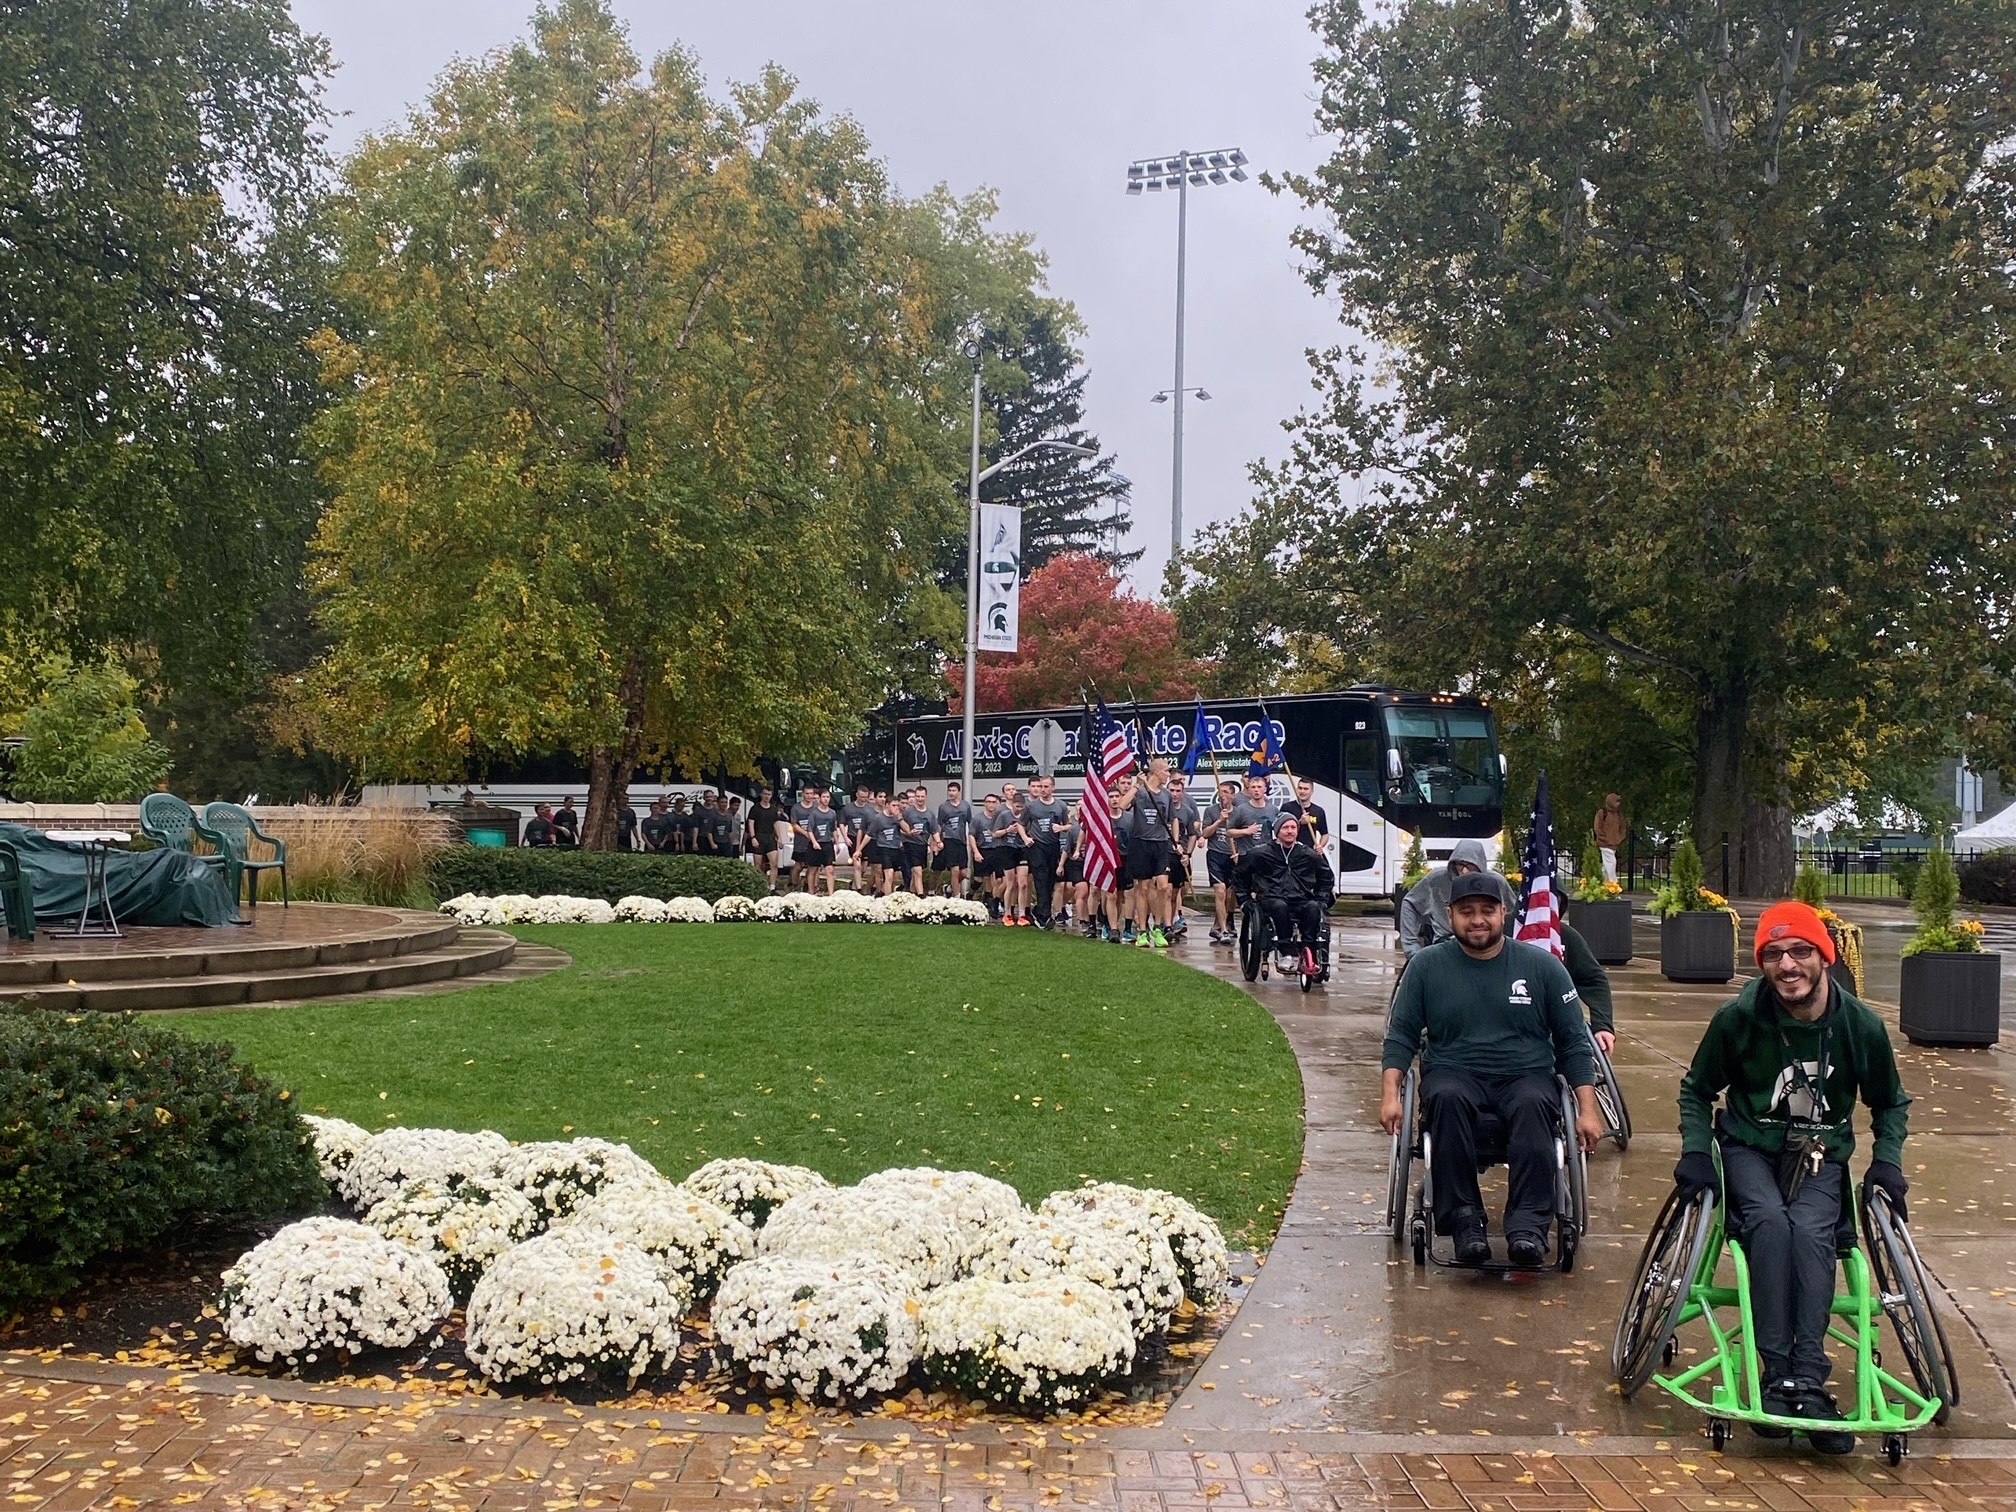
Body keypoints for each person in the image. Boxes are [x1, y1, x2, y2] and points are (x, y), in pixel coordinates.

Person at [1672, 900, 1911, 1455]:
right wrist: (1695, 1151)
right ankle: (1778, 1375)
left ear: (1824, 957)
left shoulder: (1860, 1025)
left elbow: (1889, 1104)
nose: (1787, 965)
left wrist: (1888, 1160)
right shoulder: (1739, 1018)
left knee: (1811, 1233)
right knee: (1771, 1227)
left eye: (1800, 951)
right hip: (1750, 1146)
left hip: (1820, 1152)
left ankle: (1809, 1378)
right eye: (1773, 954)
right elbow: (1696, 1090)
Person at [1380, 872, 1603, 1267]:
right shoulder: (1426, 967)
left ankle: (1528, 1228)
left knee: (1535, 1102)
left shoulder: (1542, 967)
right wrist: (1390, 1097)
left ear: (1504, 913)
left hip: (1525, 1075)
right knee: (1446, 1098)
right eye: (1467, 912)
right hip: (1454, 1072)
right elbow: (1400, 1036)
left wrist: (1587, 1109)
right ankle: (1464, 1221)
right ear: (1450, 915)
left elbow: (1573, 1042)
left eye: (1487, 911)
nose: (1477, 920)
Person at [1232, 814, 1335, 977]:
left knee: (1314, 907)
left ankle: (1309, 952)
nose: (1290, 831)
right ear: (1277, 831)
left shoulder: (1308, 854)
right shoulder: (1260, 853)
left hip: (1300, 898)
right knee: (1280, 906)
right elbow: (1239, 874)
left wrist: (1322, 899)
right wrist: (1244, 899)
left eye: (1293, 828)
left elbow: (1326, 877)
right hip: (1271, 898)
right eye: (1285, 828)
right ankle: (1286, 952)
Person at [1398, 838, 1490, 956]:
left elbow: (1514, 914)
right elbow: (1410, 903)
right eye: (1460, 865)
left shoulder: (1495, 882)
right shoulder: (1437, 880)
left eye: (1470, 865)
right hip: (1445, 946)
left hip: (1483, 945)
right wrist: (1411, 947)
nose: (1464, 871)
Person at [1126, 758, 1177, 948]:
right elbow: (1121, 805)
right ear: (1156, 772)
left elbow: (1172, 820)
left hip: (1160, 842)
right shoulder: (1140, 792)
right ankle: (1141, 930)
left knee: (1163, 886)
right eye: (1166, 771)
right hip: (1141, 842)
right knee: (1143, 888)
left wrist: (1176, 842)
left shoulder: (1166, 795)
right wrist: (1136, 786)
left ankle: (1157, 926)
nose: (1168, 774)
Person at [1018, 775, 1069, 929]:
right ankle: (1045, 917)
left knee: (1050, 880)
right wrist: (1026, 838)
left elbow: (1069, 825)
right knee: (1040, 878)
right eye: (1040, 787)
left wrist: (1061, 828)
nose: (1043, 790)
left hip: (1052, 845)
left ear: (1053, 787)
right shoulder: (1031, 806)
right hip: (1037, 845)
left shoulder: (1060, 806)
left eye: (1046, 787)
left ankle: (1039, 910)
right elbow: (1021, 824)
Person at [1201, 778, 1239, 946]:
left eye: (1225, 792)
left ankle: (1217, 925)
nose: (1222, 796)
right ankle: (1223, 930)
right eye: (1220, 792)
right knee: (1220, 891)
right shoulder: (1211, 811)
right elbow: (1205, 833)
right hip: (1216, 854)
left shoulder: (1239, 812)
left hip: (1232, 855)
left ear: (1232, 795)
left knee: (1230, 894)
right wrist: (1219, 821)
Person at [1166, 773, 1203, 938]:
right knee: (1164, 890)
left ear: (1182, 792)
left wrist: (1188, 853)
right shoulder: (1162, 807)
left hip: (1180, 855)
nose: (1174, 794)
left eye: (1177, 791)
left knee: (1176, 892)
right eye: (1171, 790)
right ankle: (1163, 923)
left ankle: (1174, 920)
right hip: (1163, 852)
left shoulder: (1187, 811)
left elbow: (1193, 834)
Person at [934, 781, 975, 900]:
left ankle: (949, 888)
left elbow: (970, 822)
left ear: (959, 792)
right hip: (949, 839)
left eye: (954, 791)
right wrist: (937, 842)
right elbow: (939, 825)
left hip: (961, 840)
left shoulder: (965, 806)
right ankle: (956, 897)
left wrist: (972, 837)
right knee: (955, 870)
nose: (951, 793)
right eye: (950, 791)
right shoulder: (943, 807)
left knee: (964, 873)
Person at [803, 789, 840, 895]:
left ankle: (831, 893)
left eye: (828, 797)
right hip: (816, 843)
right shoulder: (814, 813)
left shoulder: (832, 813)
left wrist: (837, 844)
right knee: (813, 869)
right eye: (824, 797)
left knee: (830, 869)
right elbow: (809, 830)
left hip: (827, 843)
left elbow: (833, 829)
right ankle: (811, 891)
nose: (826, 799)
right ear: (819, 798)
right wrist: (814, 842)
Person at [749, 786, 785, 892]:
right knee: (758, 865)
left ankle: (772, 887)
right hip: (759, 837)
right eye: (765, 794)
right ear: (761, 795)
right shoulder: (755, 808)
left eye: (768, 794)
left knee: (774, 863)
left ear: (771, 796)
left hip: (770, 838)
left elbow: (776, 824)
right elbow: (751, 823)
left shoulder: (773, 809)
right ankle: (759, 886)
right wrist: (753, 837)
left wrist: (779, 838)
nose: (766, 796)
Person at [900, 786, 934, 896]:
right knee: (917, 870)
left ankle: (911, 893)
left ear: (926, 797)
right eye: (918, 796)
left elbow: (934, 830)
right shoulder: (908, 812)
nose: (920, 799)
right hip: (910, 843)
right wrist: (908, 833)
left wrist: (938, 842)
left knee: (917, 872)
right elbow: (899, 826)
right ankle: (920, 895)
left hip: (922, 844)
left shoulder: (930, 813)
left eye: (922, 796)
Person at [1283, 777, 1329, 852]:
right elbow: (1279, 831)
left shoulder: (1319, 811)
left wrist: (1320, 845)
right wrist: (1299, 823)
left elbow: (1325, 834)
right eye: (1300, 788)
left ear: (1312, 791)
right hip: (1289, 851)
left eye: (1306, 789)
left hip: (1309, 852)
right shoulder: (1287, 808)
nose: (1302, 791)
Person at [1594, 794, 1627, 884]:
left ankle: (1605, 883)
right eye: (1616, 802)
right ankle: (1613, 883)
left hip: (1614, 844)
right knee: (1611, 863)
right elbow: (1598, 827)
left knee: (1607, 864)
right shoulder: (1602, 813)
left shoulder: (1618, 814)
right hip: (1604, 843)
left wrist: (1620, 838)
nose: (1618, 804)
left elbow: (1623, 827)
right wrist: (1604, 839)